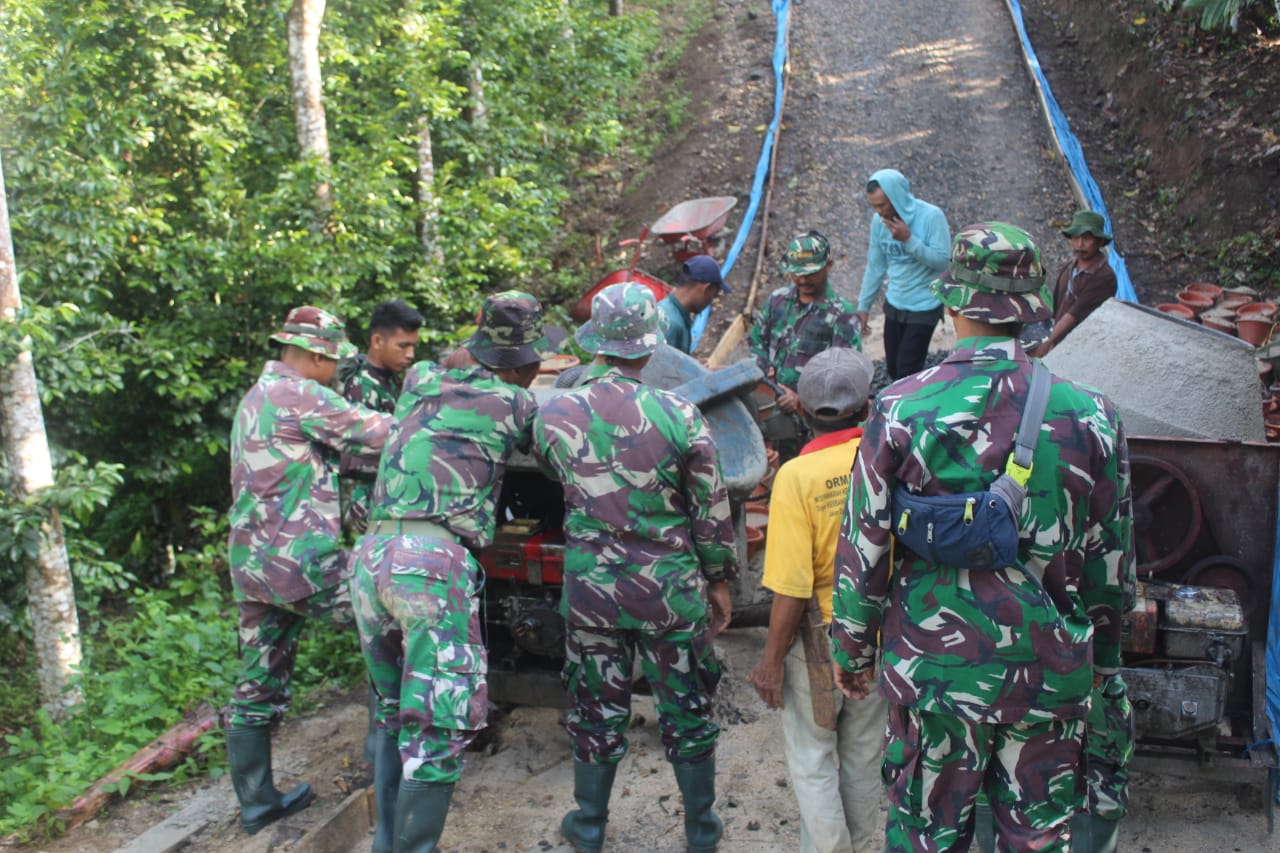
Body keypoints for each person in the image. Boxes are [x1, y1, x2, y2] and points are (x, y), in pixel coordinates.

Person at [831, 222, 1134, 851]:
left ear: (951, 302)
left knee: (927, 836)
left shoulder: (900, 409)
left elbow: (866, 545)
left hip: (934, 674)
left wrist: (852, 650)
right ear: (1030, 309)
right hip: (1049, 671)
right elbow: (1110, 561)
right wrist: (1103, 664)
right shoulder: (1093, 414)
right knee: (1038, 837)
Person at [532, 282, 738, 853]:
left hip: (592, 595)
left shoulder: (556, 412)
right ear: (649, 347)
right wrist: (719, 581)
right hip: (669, 594)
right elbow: (711, 512)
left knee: (595, 710)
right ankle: (701, 831)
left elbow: (552, 474)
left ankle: (589, 826)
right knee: (688, 709)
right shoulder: (679, 414)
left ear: (596, 343)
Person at [351, 291, 546, 853]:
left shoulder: (418, 381)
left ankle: (387, 845)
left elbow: (454, 365)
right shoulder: (515, 403)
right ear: (528, 363)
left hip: (371, 557)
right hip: (430, 566)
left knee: (392, 715)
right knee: (437, 729)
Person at [224, 306, 392, 835]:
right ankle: (386, 760)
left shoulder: (255, 398)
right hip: (299, 562)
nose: (338, 371)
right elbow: (379, 433)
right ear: (317, 356)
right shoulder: (302, 394)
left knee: (258, 680)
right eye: (335, 361)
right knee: (389, 619)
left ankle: (257, 802)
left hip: (252, 563)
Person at [747, 346, 887, 853]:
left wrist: (770, 661)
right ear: (867, 408)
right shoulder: (886, 461)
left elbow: (791, 587)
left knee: (812, 758)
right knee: (864, 754)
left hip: (819, 639)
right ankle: (860, 844)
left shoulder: (796, 477)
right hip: (878, 631)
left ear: (803, 412)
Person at [750, 230, 863, 416]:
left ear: (828, 265)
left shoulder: (842, 314)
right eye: (796, 273)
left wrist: (801, 401)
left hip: (814, 415)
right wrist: (763, 377)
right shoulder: (777, 301)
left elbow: (844, 376)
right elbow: (757, 342)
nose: (802, 280)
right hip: (772, 404)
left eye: (811, 273)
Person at [338, 299, 425, 538]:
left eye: (413, 346)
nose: (410, 354)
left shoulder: (390, 379)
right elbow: (357, 457)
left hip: (386, 498)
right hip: (366, 502)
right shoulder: (362, 386)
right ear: (377, 341)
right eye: (403, 346)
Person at [854, 168, 951, 380]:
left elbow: (943, 262)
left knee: (908, 370)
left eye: (882, 205)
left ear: (897, 197)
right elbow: (875, 267)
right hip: (895, 302)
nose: (879, 212)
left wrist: (909, 240)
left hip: (925, 304)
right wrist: (863, 307)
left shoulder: (931, 216)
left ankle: (913, 401)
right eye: (874, 206)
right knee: (893, 367)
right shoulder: (879, 223)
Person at [1028, 209, 1118, 357]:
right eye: (1076, 238)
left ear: (1100, 242)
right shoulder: (1070, 267)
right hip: (1060, 342)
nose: (1080, 244)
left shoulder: (1104, 277)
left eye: (1086, 239)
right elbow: (1055, 307)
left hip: (1083, 349)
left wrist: (1048, 341)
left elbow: (1074, 314)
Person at [658, 255, 731, 354]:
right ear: (706, 288)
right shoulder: (672, 325)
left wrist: (690, 363)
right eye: (713, 294)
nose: (710, 301)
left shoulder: (669, 309)